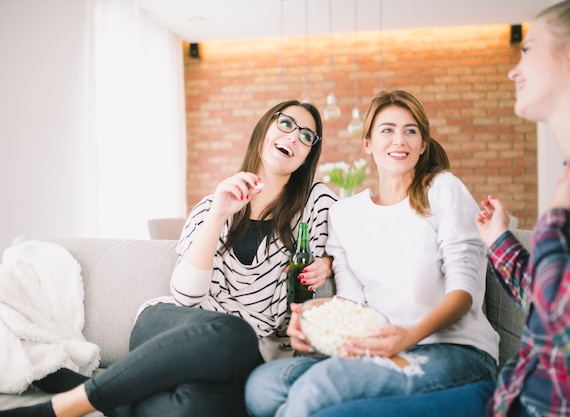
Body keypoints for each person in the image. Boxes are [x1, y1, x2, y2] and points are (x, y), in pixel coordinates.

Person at [312, 0, 570, 416]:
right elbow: (547, 297)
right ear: (368, 144)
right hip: (525, 396)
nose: (514, 70)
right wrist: (500, 241)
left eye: (527, 50)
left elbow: (567, 326)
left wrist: (550, 222)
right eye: (386, 130)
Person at [0, 100, 337, 417]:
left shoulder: (316, 203)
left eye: (306, 136)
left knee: (200, 408)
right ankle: (56, 409)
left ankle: (80, 388)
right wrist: (219, 212)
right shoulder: (211, 205)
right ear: (264, 130)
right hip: (173, 326)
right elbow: (187, 295)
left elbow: (349, 246)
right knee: (232, 332)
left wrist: (329, 263)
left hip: (244, 351)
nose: (293, 136)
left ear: (308, 154)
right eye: (286, 124)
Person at [244, 90, 500, 417]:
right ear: (368, 143)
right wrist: (311, 320)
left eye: (411, 131)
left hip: (453, 351)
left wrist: (407, 337)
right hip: (374, 348)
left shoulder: (443, 189)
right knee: (263, 386)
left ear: (423, 144)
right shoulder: (346, 214)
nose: (400, 140)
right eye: (387, 130)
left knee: (314, 390)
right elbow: (351, 299)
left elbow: (464, 293)